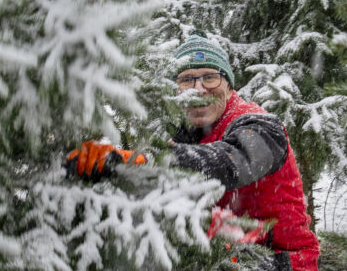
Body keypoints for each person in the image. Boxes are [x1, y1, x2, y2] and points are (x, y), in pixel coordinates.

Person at [67, 30, 320, 270]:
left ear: (229, 85)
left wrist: (148, 161)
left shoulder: (261, 125)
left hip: (281, 263)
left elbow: (230, 162)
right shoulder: (182, 136)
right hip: (221, 257)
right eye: (187, 79)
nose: (199, 88)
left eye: (210, 77)